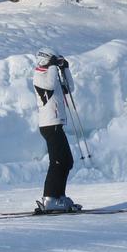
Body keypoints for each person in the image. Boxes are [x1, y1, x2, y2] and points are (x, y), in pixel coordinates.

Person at [33, 50, 81, 212]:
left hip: (56, 124)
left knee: (67, 161)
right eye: (53, 60)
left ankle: (59, 196)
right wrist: (54, 66)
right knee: (57, 161)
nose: (55, 63)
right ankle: (49, 198)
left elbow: (69, 87)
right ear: (45, 60)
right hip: (49, 125)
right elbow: (50, 85)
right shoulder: (40, 75)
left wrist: (65, 69)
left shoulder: (52, 75)